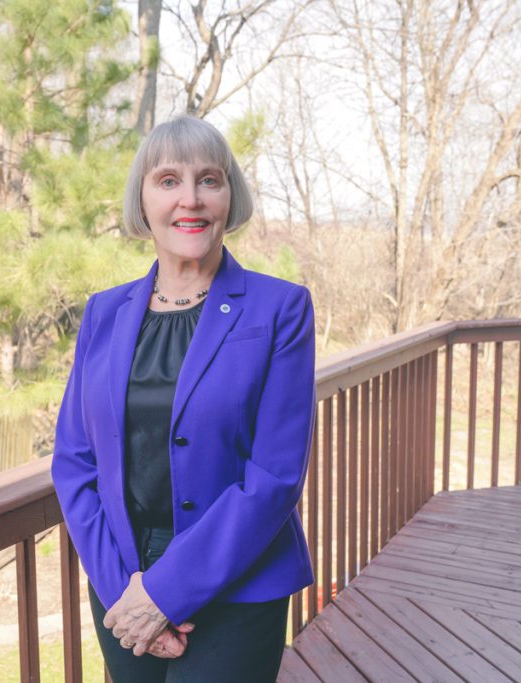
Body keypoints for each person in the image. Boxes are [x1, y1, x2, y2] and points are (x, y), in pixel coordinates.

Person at [50, 115, 316, 683]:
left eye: (209, 180)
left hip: (238, 577)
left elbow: (274, 476)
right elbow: (74, 462)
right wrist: (123, 588)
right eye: (168, 180)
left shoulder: (280, 309)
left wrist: (165, 593)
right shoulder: (103, 313)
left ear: (228, 197)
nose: (189, 199)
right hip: (121, 579)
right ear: (143, 200)